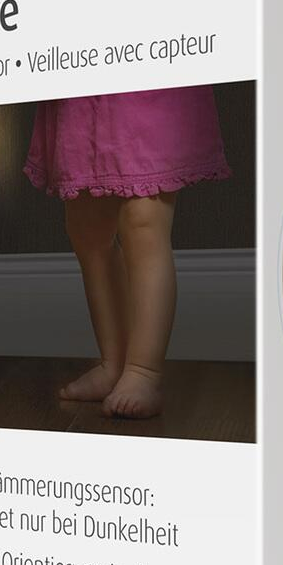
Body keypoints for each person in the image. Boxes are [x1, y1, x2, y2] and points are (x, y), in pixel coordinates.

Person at [23, 86, 230, 417]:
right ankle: (114, 363)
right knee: (86, 227)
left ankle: (143, 370)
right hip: (83, 81)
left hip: (145, 75)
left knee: (143, 220)